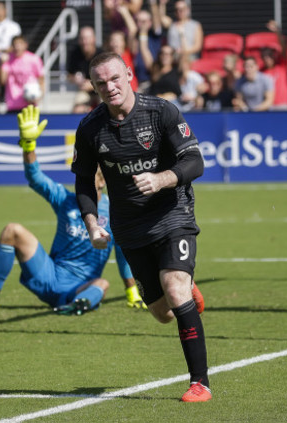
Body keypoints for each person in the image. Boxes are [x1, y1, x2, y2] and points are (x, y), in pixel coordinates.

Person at [71, 52, 211, 402]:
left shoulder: (161, 111)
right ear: (93, 85)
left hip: (172, 213)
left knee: (174, 287)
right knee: (163, 313)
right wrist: (92, 224)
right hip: (130, 227)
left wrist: (163, 178)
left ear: (129, 74)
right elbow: (84, 183)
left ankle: (200, 383)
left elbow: (195, 162)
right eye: (101, 82)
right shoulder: (90, 128)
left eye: (115, 78)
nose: (110, 87)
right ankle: (187, 288)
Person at [0, 105, 146, 314]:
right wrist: (28, 145)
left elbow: (122, 254)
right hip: (49, 276)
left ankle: (75, 307)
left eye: (89, 175)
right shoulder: (64, 198)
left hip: (79, 288)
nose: (81, 180)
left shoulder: (114, 210)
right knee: (12, 230)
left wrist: (132, 291)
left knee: (102, 284)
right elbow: (35, 178)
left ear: (102, 181)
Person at [0, 34, 44, 113]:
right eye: (15, 44)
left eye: (20, 44)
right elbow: (2, 81)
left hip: (30, 104)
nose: (17, 47)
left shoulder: (34, 59)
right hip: (13, 104)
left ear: (25, 45)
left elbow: (41, 79)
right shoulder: (8, 59)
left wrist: (40, 96)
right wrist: (3, 63)